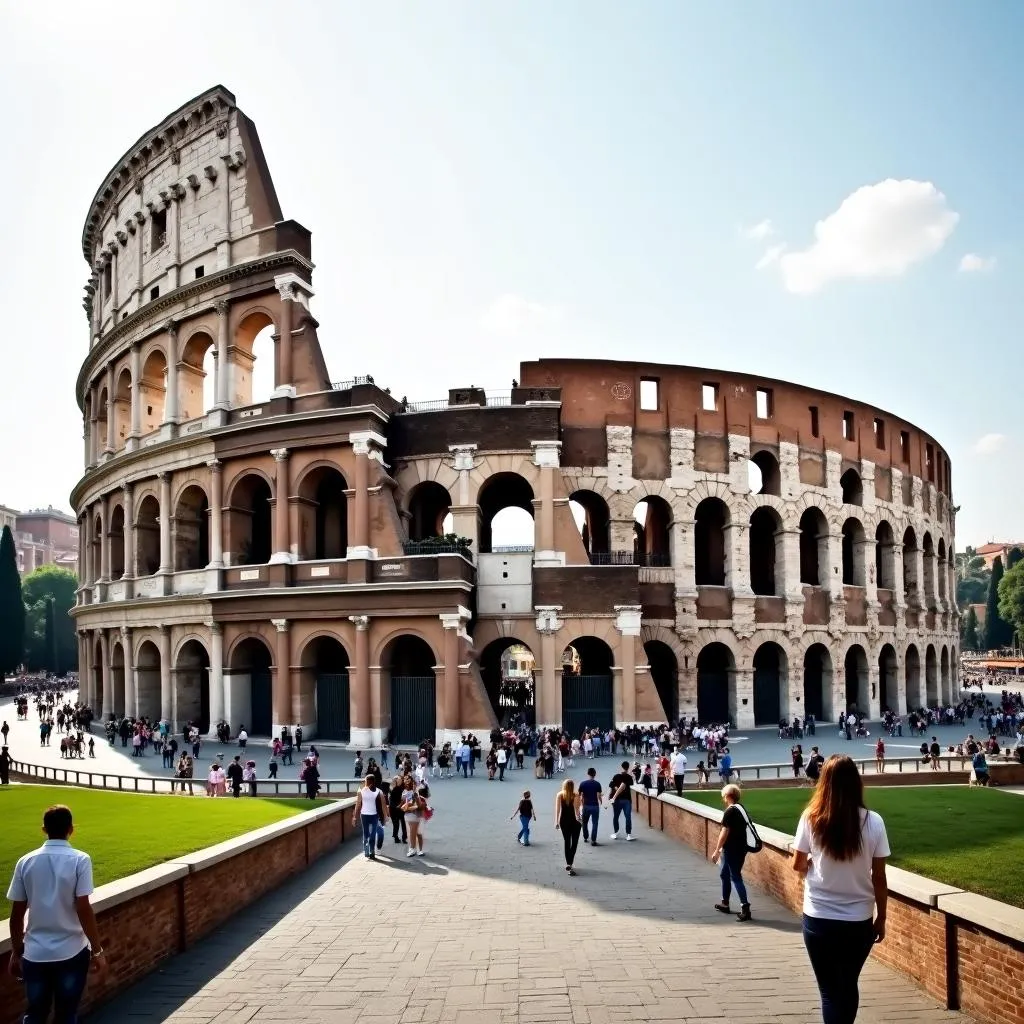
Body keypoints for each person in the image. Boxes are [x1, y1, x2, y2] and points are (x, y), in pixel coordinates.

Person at [791, 755, 889, 1024]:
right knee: (848, 985)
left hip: (819, 916)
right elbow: (879, 876)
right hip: (858, 919)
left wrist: (812, 860)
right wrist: (882, 917)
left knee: (830, 991)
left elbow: (797, 865)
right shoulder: (873, 821)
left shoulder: (812, 818)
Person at [6, 805, 108, 1021]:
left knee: (35, 1013)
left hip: (35, 953)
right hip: (71, 950)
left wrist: (16, 951)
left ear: (44, 829)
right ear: (71, 829)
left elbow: (16, 915)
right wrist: (97, 951)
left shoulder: (26, 862)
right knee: (67, 1013)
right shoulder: (80, 860)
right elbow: (83, 907)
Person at [711, 783, 753, 922]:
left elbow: (724, 832)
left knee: (735, 877)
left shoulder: (730, 811)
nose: (723, 799)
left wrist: (717, 850)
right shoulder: (741, 808)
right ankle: (725, 903)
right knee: (724, 874)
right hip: (741, 848)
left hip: (732, 849)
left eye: (724, 796)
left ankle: (745, 908)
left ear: (728, 796)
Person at [352, 774, 388, 860]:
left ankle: (371, 851)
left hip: (373, 815)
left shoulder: (378, 791)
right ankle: (368, 851)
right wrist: (354, 817)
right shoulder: (361, 791)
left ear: (368, 781)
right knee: (367, 833)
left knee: (370, 834)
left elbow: (383, 805)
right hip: (365, 815)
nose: (364, 782)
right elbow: (358, 804)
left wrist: (385, 816)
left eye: (365, 781)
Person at [554, 778, 582, 876]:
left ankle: (568, 864)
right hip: (575, 822)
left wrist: (556, 822)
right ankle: (570, 863)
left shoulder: (560, 795)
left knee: (567, 842)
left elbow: (558, 810)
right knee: (574, 843)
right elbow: (577, 811)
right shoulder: (576, 795)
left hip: (564, 821)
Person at [608, 760, 636, 841]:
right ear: (628, 768)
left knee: (616, 816)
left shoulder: (616, 776)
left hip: (617, 800)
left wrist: (611, 795)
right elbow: (631, 783)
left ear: (621, 767)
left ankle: (615, 832)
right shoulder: (629, 777)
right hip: (627, 800)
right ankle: (628, 834)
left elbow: (611, 785)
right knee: (628, 817)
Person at [578, 767, 603, 846]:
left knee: (584, 822)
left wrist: (581, 804)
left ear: (588, 774)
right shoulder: (597, 784)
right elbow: (598, 795)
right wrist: (601, 801)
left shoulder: (583, 784)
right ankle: (593, 840)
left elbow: (581, 795)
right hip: (595, 806)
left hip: (586, 805)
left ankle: (585, 836)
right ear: (595, 774)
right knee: (595, 823)